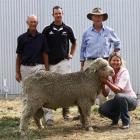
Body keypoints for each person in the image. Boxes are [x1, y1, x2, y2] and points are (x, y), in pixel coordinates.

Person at [42, 6, 77, 125]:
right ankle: (49, 116)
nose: (58, 15)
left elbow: (74, 42)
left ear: (63, 14)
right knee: (49, 89)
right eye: (56, 13)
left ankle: (66, 113)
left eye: (59, 13)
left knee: (66, 88)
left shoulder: (67, 29)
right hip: (51, 64)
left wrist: (71, 54)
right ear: (52, 15)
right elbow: (44, 50)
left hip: (63, 62)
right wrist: (46, 67)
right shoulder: (47, 30)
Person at [99, 52, 137, 129]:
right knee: (102, 109)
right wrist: (102, 84)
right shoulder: (108, 74)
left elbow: (118, 90)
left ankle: (126, 121)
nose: (116, 62)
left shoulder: (124, 72)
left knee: (119, 96)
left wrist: (106, 82)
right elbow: (105, 94)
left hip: (131, 101)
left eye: (118, 60)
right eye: (114, 60)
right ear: (109, 61)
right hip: (118, 100)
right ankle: (116, 119)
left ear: (121, 62)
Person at [16, 15, 49, 85]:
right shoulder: (21, 38)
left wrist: (47, 70)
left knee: (40, 90)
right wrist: (17, 72)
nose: (33, 24)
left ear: (37, 23)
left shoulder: (42, 37)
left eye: (35, 22)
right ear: (27, 23)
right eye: (31, 22)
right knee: (27, 92)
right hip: (25, 68)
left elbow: (45, 54)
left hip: (38, 68)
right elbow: (19, 56)